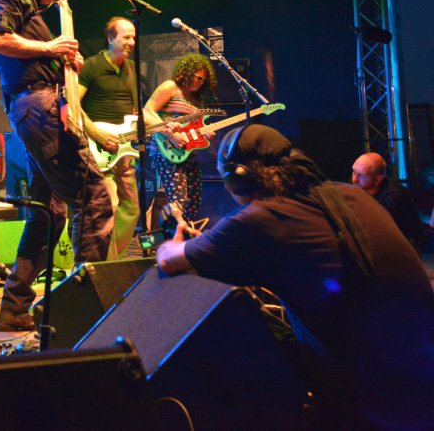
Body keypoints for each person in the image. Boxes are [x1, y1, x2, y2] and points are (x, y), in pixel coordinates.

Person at [157, 125, 434, 428]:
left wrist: (180, 241)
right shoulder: (350, 195)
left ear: (238, 180)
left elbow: (169, 260)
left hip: (367, 399)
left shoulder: (260, 218)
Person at [0, 0, 114, 332]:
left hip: (40, 108)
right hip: (39, 109)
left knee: (49, 212)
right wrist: (51, 49)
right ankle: (87, 310)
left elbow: (35, 56)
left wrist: (64, 63)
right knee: (94, 197)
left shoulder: (33, 10)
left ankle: (14, 309)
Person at [77, 16, 153, 258]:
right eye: (126, 37)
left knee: (132, 209)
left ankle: (114, 259)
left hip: (124, 148)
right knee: (108, 207)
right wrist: (94, 131)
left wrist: (166, 127)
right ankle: (106, 266)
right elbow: (71, 103)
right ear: (110, 38)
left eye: (134, 38)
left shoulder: (131, 68)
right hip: (98, 147)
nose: (132, 42)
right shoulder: (92, 65)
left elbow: (135, 112)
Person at [143, 53, 216, 225]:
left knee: (194, 201)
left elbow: (193, 130)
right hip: (167, 149)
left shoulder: (198, 100)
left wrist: (204, 135)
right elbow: (146, 112)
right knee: (178, 200)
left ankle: (184, 234)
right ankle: (171, 234)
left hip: (188, 154)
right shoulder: (171, 87)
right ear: (186, 72)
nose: (200, 82)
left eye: (204, 80)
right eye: (198, 77)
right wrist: (170, 134)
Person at [351, 152, 427, 255]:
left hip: (407, 242)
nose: (354, 179)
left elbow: (381, 230)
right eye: (354, 172)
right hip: (381, 240)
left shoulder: (394, 194)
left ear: (377, 180)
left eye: (361, 175)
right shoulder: (358, 184)